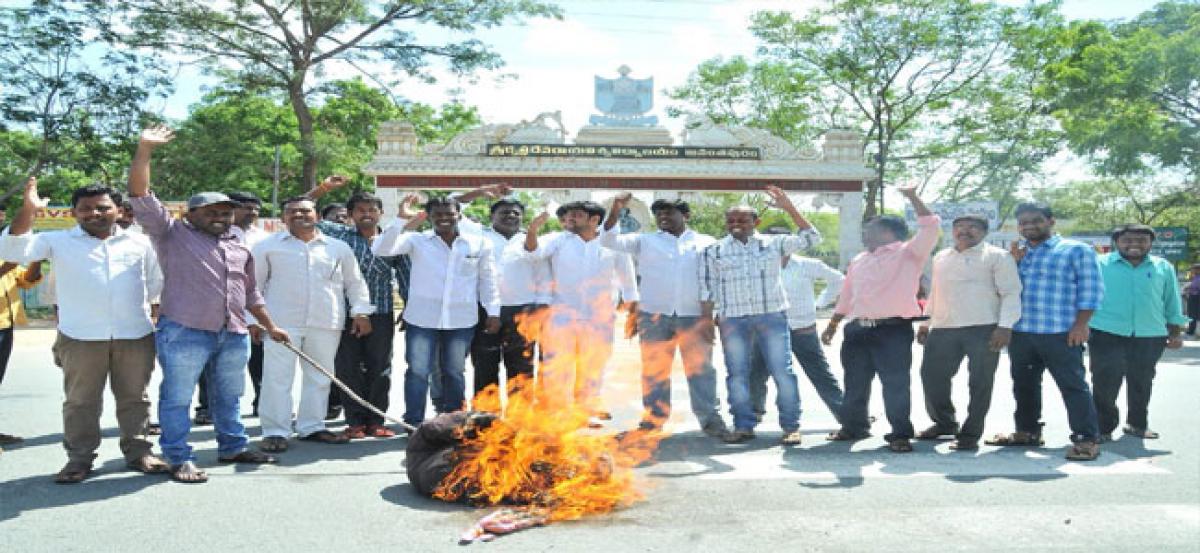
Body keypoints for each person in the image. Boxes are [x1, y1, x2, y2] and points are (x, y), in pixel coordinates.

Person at [128, 125, 289, 483]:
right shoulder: (170, 233)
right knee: (178, 397)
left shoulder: (237, 243)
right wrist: (145, 149)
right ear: (190, 214)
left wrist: (269, 324)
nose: (220, 216)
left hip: (233, 332)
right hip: (185, 330)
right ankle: (177, 456)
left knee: (230, 396)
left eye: (226, 212)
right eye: (211, 211)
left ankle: (232, 445)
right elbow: (139, 193)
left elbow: (250, 292)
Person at [0, 177, 167, 483]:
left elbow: (155, 285)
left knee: (136, 399)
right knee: (81, 402)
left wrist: (153, 317)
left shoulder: (141, 243)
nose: (94, 214)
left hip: (134, 334)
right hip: (80, 336)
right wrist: (29, 210)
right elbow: (13, 248)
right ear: (74, 213)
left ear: (118, 210)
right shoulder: (57, 241)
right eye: (85, 209)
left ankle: (139, 451)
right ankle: (79, 459)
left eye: (102, 207)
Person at [821, 185, 939, 453]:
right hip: (857, 331)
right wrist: (833, 324)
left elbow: (931, 226)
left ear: (888, 233)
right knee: (855, 382)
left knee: (895, 384)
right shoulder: (860, 260)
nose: (864, 233)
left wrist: (912, 197)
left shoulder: (909, 253)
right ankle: (854, 427)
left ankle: (899, 434)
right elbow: (848, 294)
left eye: (870, 228)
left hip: (892, 331)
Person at [700, 186, 821, 445]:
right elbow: (707, 288)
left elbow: (812, 238)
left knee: (783, 372)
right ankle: (743, 425)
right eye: (731, 220)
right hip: (732, 319)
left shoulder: (775, 244)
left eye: (742, 220)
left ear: (757, 222)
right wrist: (707, 322)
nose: (736, 224)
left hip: (771, 317)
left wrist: (788, 207)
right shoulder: (715, 251)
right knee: (737, 374)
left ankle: (791, 426)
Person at [600, 193, 728, 437]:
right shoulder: (645, 241)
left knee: (701, 369)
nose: (663, 217)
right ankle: (654, 419)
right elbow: (608, 240)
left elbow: (715, 278)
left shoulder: (706, 242)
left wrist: (711, 314)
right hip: (654, 315)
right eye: (659, 214)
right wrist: (616, 209)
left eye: (669, 212)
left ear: (686, 216)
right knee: (655, 369)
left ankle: (710, 419)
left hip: (694, 315)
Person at [252, 196, 373, 452]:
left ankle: (312, 426)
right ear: (284, 218)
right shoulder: (267, 247)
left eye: (305, 211)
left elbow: (355, 283)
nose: (299, 215)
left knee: (320, 377)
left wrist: (361, 313)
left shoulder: (337, 248)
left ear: (316, 215)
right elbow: (253, 287)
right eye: (292, 212)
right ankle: (275, 431)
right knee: (277, 378)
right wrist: (255, 322)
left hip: (326, 321)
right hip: (280, 323)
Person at [986, 202, 1104, 461]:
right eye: (1024, 223)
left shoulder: (1075, 250)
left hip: (1060, 332)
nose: (1029, 226)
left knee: (1073, 386)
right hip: (1022, 332)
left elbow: (1091, 290)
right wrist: (1013, 264)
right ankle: (1027, 431)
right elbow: (1005, 290)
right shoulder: (1017, 253)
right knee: (1024, 385)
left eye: (1035, 220)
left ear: (1051, 221)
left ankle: (1087, 438)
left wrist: (1081, 324)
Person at [372, 196, 500, 428]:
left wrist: (493, 312)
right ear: (429, 217)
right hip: (422, 318)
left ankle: (452, 423)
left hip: (461, 319)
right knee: (418, 372)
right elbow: (380, 248)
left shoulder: (479, 243)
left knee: (454, 372)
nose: (444, 218)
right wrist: (400, 219)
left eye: (449, 213)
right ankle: (413, 423)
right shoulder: (416, 240)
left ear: (458, 215)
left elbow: (488, 280)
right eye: (437, 214)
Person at [307, 177, 412, 438]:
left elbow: (405, 277)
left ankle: (376, 421)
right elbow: (303, 210)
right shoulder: (338, 235)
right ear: (351, 215)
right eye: (360, 210)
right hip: (343, 311)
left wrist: (409, 309)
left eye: (371, 210)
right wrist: (323, 190)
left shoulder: (394, 240)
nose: (366, 214)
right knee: (347, 366)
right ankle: (354, 421)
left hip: (383, 311)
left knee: (381, 367)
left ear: (381, 213)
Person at [523, 200, 639, 427]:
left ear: (594, 220)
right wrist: (533, 229)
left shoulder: (612, 244)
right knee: (559, 367)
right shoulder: (557, 240)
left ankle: (585, 413)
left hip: (600, 317)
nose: (570, 219)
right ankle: (559, 414)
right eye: (567, 215)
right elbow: (533, 253)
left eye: (576, 215)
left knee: (592, 367)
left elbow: (628, 279)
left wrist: (633, 311)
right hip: (561, 316)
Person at [915, 215, 1022, 451]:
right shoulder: (942, 257)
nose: (965, 231)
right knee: (932, 377)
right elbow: (935, 292)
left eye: (972, 227)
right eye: (959, 227)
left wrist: (1005, 327)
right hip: (943, 328)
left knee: (980, 383)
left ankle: (970, 434)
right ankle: (944, 423)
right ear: (952, 232)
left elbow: (1011, 293)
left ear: (984, 232)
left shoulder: (998, 256)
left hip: (984, 329)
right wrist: (925, 323)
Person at [448, 185, 550, 405]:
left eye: (516, 213)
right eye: (504, 212)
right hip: (485, 311)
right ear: (492, 216)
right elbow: (452, 203)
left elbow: (543, 278)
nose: (511, 216)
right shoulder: (477, 234)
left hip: (522, 313)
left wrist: (541, 310)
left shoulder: (531, 241)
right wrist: (479, 192)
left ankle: (518, 421)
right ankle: (486, 420)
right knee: (485, 365)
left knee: (521, 369)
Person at [1088, 224, 1188, 442]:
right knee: (1105, 381)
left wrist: (1175, 332)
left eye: (1141, 240)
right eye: (1128, 240)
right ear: (1117, 242)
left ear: (1151, 243)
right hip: (1106, 331)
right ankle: (1102, 427)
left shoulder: (1163, 267)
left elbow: (1172, 301)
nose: (1134, 245)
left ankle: (1137, 424)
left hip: (1150, 333)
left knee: (1142, 380)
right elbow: (1086, 296)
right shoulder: (1099, 264)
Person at [193, 190, 270, 424]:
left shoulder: (265, 238)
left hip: (253, 312)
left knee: (259, 363)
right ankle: (206, 407)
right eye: (245, 207)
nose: (251, 212)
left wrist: (260, 319)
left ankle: (262, 403)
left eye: (255, 208)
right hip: (216, 313)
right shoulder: (206, 236)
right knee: (210, 365)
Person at [748, 250, 846, 425]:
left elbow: (839, 280)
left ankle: (847, 415)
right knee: (756, 372)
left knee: (820, 374)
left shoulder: (808, 265)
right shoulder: (758, 266)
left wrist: (820, 303)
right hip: (768, 330)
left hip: (802, 328)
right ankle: (754, 412)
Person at [0, 258, 41, 450]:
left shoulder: (4, 256)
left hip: (5, 326)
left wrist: (37, 259)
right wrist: (6, 266)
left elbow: (27, 280)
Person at [1184, 263, 1200, 338]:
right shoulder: (1195, 277)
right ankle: (1191, 329)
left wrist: (1188, 288)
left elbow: (1196, 287)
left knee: (1193, 314)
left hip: (1196, 298)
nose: (1192, 270)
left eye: (1193, 269)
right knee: (1191, 314)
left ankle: (1192, 331)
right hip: (1192, 297)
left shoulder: (1198, 278)